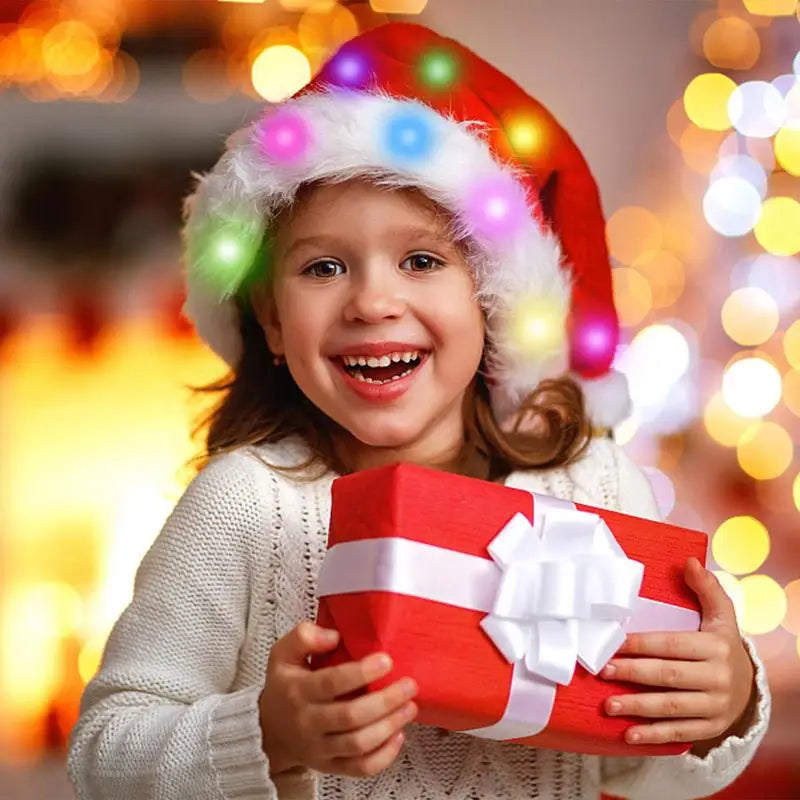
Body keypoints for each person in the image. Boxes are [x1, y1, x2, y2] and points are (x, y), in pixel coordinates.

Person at [67, 21, 769, 800]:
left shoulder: (592, 486)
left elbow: (640, 766)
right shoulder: (246, 506)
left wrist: (724, 703)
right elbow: (104, 753)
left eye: (422, 260)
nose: (373, 300)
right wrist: (265, 732)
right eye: (323, 266)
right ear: (269, 319)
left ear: (492, 302)